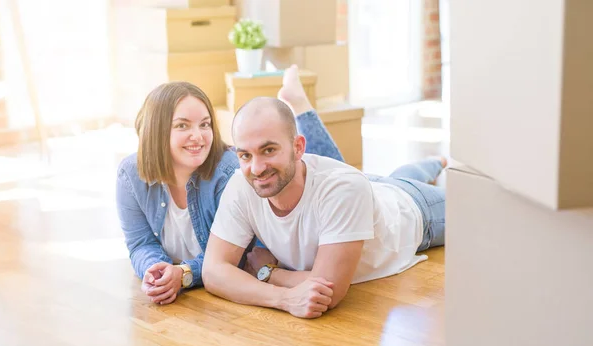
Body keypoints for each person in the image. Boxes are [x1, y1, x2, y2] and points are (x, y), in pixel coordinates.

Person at [202, 76, 446, 319]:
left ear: (298, 147)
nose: (256, 168)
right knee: (396, 177)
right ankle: (431, 163)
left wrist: (267, 272)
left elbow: (328, 288)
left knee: (480, 205)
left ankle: (433, 164)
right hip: (369, 194)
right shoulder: (241, 184)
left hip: (415, 210)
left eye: (268, 150)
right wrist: (284, 299)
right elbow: (213, 272)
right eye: (245, 155)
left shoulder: (344, 188)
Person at [115, 66, 345, 305]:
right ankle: (298, 104)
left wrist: (184, 273)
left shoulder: (231, 175)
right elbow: (140, 243)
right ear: (156, 129)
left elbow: (243, 254)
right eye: (183, 126)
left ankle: (300, 106)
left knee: (339, 175)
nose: (199, 136)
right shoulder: (130, 174)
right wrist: (155, 270)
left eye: (204, 124)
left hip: (343, 191)